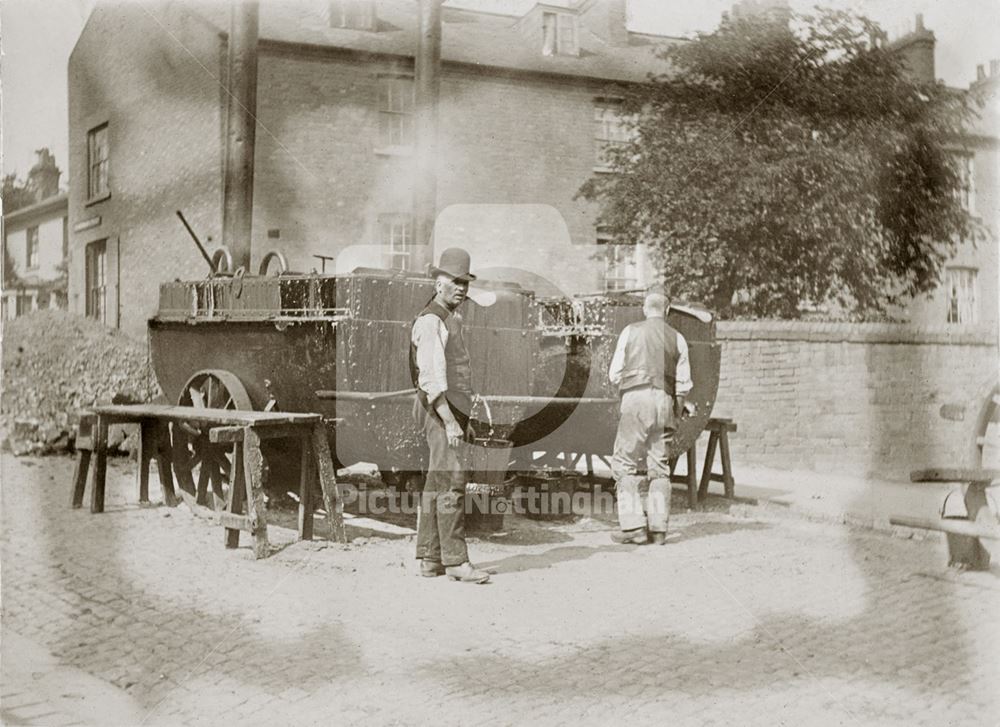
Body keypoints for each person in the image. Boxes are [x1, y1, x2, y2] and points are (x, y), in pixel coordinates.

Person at [409, 247, 490, 584]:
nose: (461, 288)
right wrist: (451, 421)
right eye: (455, 281)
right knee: (452, 483)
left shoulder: (450, 319)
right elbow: (430, 379)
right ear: (438, 282)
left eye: (465, 283)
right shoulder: (431, 321)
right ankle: (456, 562)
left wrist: (463, 418)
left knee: (436, 482)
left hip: (450, 409)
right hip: (439, 409)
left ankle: (430, 558)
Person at [608, 284, 694, 545]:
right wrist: (676, 414)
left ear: (645, 308)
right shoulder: (678, 338)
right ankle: (658, 530)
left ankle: (633, 527)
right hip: (665, 402)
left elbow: (614, 374)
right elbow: (684, 385)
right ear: (667, 309)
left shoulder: (630, 332)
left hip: (636, 398)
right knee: (660, 467)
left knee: (624, 465)